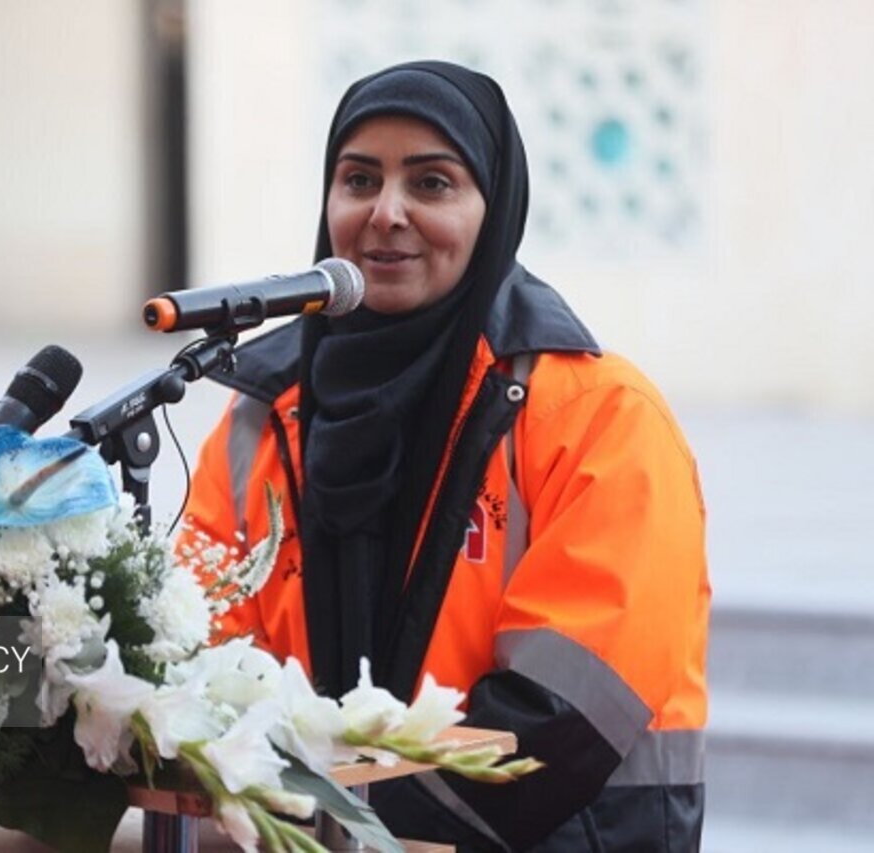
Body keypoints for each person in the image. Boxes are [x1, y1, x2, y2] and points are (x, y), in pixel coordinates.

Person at [182, 61, 709, 851]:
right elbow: (197, 664)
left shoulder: (598, 416)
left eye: (431, 183)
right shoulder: (264, 417)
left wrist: (344, 829)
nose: (386, 213)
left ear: (494, 211)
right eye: (359, 179)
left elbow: (562, 716)